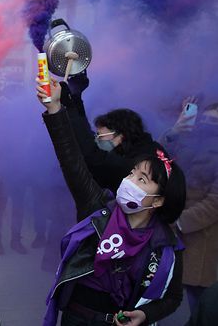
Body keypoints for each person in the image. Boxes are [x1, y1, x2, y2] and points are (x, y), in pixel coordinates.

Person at [36, 81, 186, 326]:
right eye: (131, 173)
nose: (129, 181)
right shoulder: (98, 208)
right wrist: (55, 107)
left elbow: (173, 297)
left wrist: (146, 315)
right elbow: (71, 159)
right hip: (77, 319)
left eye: (142, 179)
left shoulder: (165, 246)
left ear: (158, 200)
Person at [159, 98, 218, 315]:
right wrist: (174, 130)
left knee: (196, 306)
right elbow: (156, 162)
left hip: (199, 240)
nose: (208, 126)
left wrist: (179, 221)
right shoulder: (189, 141)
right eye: (206, 120)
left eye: (215, 122)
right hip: (168, 235)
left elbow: (214, 204)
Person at [60, 74, 165, 192]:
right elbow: (87, 139)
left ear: (120, 137)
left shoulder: (133, 166)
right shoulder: (150, 148)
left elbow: (91, 154)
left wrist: (69, 106)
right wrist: (76, 98)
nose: (96, 140)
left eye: (100, 136)